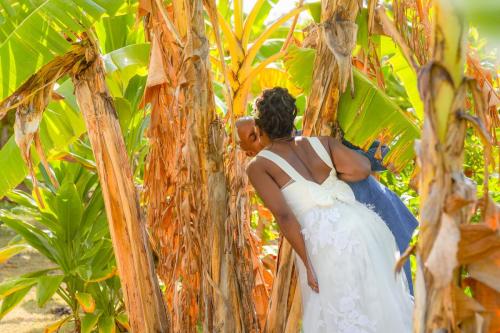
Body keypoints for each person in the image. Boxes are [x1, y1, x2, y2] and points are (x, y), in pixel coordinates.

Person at [245, 87, 413, 332]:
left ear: (260, 127)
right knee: (380, 310)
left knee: (343, 318)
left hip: (329, 245)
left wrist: (308, 265)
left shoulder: (259, 166)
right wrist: (332, 179)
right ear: (293, 118)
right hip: (365, 227)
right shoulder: (322, 143)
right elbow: (362, 168)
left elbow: (284, 216)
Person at [237, 116, 418, 295]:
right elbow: (285, 216)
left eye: (260, 127)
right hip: (341, 243)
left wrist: (401, 154)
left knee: (404, 289)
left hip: (379, 210)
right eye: (254, 136)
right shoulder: (263, 173)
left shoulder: (305, 138)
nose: (262, 134)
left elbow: (374, 155)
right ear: (250, 153)